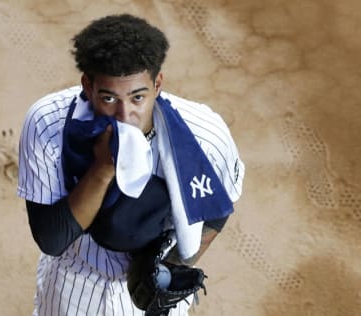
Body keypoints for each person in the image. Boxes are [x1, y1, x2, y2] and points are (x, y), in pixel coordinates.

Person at [17, 14, 244, 316]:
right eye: (109, 98)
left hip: (156, 299)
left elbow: (218, 207)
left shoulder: (204, 134)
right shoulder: (49, 123)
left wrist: (172, 263)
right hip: (73, 283)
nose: (125, 114)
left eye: (138, 97)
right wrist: (103, 168)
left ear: (157, 83)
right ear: (88, 86)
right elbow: (52, 238)